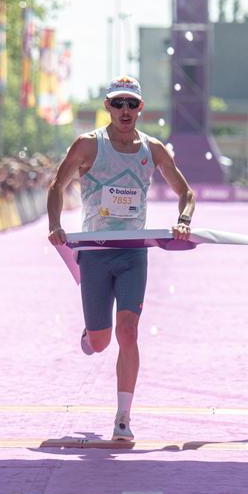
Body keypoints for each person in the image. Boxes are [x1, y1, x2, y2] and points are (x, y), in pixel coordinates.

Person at [46, 76, 195, 441]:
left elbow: (186, 192)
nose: (125, 110)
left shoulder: (153, 149)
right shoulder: (88, 145)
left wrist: (183, 220)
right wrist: (55, 224)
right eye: (118, 104)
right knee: (101, 342)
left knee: (128, 332)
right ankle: (90, 336)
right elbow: (57, 185)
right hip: (95, 253)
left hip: (132, 254)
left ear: (140, 108)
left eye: (132, 104)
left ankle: (123, 419)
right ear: (108, 108)